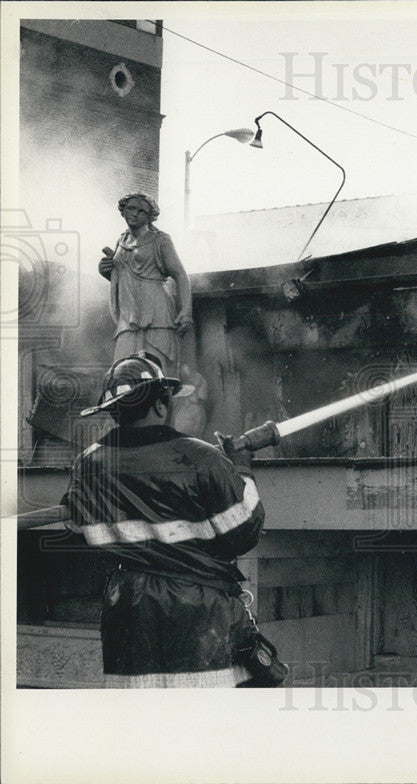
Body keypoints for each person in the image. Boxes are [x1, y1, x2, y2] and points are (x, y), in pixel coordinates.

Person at [60, 352, 264, 687]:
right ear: (160, 405)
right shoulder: (203, 458)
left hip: (126, 605)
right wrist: (241, 466)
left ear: (113, 412)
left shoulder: (87, 465)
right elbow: (244, 531)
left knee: (135, 719)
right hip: (199, 608)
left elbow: (78, 526)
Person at [99, 193, 193, 376]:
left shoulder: (160, 240)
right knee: (121, 372)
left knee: (156, 370)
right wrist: (105, 270)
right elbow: (123, 276)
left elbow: (180, 275)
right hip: (128, 315)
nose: (135, 214)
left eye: (142, 211)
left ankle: (159, 404)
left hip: (157, 311)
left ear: (150, 216)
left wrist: (186, 312)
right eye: (131, 208)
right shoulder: (121, 240)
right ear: (123, 211)